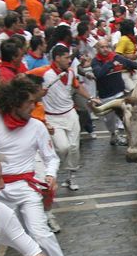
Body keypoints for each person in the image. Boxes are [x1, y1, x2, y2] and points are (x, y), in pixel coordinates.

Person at [0, 76, 92, 256]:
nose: (35, 106)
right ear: (15, 102)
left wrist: (50, 175)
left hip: (27, 189)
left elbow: (51, 157)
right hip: (0, 193)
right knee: (16, 240)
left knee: (42, 234)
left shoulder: (37, 126)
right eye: (30, 102)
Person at [42, 45, 98, 192]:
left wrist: (91, 97)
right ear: (57, 58)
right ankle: (50, 169)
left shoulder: (71, 73)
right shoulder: (43, 73)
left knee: (74, 147)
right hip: (52, 116)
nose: (69, 60)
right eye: (66, 57)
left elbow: (78, 87)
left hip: (69, 113)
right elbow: (25, 77)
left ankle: (71, 176)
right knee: (63, 147)